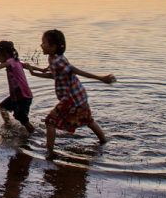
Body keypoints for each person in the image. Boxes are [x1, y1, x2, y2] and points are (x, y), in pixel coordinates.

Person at [25, 29, 115, 159]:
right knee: (88, 120)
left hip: (71, 99)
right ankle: (104, 142)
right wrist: (34, 73)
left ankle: (49, 153)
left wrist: (100, 77)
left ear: (53, 47)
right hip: (78, 96)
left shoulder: (58, 61)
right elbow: (54, 75)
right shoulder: (52, 58)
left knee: (50, 122)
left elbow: (73, 70)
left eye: (44, 43)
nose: (41, 45)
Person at [0, 39, 35, 134]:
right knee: (2, 107)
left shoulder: (11, 61)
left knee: (21, 118)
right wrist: (42, 70)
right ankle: (8, 124)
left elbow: (3, 64)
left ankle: (32, 131)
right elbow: (28, 66)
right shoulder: (17, 61)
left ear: (5, 54)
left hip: (22, 96)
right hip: (18, 96)